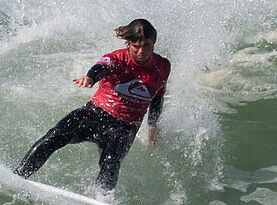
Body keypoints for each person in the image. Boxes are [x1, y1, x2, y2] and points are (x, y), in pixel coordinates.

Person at [14, 18, 170, 194]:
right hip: (95, 113)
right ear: (129, 43)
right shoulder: (117, 58)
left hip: (125, 126)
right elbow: (102, 67)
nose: (141, 51)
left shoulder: (162, 66)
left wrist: (153, 126)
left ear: (154, 42)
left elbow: (157, 97)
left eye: (146, 46)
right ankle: (18, 177)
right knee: (55, 135)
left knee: (111, 161)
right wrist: (90, 78)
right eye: (136, 46)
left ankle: (102, 200)